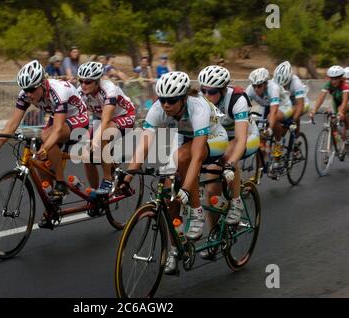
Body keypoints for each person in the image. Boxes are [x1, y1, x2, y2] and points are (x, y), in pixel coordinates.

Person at [118, 72, 228, 274]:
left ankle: (197, 212)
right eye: (162, 100)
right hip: (184, 138)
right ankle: (176, 248)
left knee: (184, 158)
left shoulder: (198, 107)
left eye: (172, 100)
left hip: (213, 138)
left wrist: (187, 187)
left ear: (184, 98)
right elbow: (144, 145)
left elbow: (195, 156)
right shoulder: (157, 109)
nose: (166, 105)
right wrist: (128, 176)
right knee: (168, 195)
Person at [0, 60, 89, 228]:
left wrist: (46, 147)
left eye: (32, 89)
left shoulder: (58, 91)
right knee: (39, 162)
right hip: (58, 118)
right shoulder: (25, 95)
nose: (28, 94)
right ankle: (52, 205)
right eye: (25, 90)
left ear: (43, 83)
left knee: (46, 136)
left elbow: (56, 130)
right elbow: (13, 123)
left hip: (78, 118)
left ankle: (61, 184)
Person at [197, 66, 259, 250]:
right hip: (221, 138)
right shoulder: (201, 101)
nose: (207, 95)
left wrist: (231, 164)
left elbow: (240, 139)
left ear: (223, 89)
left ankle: (236, 201)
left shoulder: (237, 98)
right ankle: (215, 234)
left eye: (212, 92)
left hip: (245, 137)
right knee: (210, 191)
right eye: (203, 90)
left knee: (226, 156)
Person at [77, 61, 136, 195]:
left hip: (125, 115)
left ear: (97, 81)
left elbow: (106, 119)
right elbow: (77, 115)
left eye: (88, 82)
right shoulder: (80, 92)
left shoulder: (109, 89)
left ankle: (107, 179)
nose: (83, 85)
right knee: (86, 155)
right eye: (81, 81)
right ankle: (96, 194)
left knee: (102, 135)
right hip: (102, 118)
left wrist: (95, 140)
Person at [245, 67, 292, 159]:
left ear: (265, 84)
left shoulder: (273, 88)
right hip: (266, 106)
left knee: (272, 118)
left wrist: (269, 128)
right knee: (260, 143)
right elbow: (243, 108)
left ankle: (278, 144)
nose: (256, 89)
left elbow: (274, 110)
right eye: (254, 86)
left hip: (284, 106)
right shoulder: (250, 90)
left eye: (259, 86)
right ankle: (260, 171)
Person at [310, 65, 349, 151]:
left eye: (336, 78)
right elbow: (321, 98)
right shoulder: (328, 84)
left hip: (346, 102)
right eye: (331, 78)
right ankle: (337, 140)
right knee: (332, 119)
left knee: (342, 112)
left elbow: (345, 100)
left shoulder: (345, 85)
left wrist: (341, 112)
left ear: (341, 78)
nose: (333, 81)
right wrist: (314, 110)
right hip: (336, 101)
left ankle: (347, 133)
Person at [273, 61, 310, 132]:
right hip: (288, 100)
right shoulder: (274, 80)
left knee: (292, 115)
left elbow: (300, 105)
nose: (283, 87)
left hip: (302, 103)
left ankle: (296, 137)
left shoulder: (296, 83)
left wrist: (294, 120)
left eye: (285, 85)